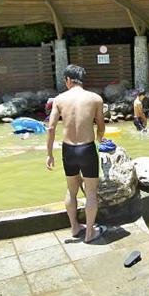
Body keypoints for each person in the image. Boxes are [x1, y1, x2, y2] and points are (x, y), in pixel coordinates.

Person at [46, 65, 107, 243]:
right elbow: (101, 128)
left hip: (68, 150)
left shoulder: (59, 99)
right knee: (91, 193)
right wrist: (99, 139)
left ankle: (74, 228)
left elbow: (50, 128)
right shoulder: (95, 99)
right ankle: (89, 233)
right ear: (81, 79)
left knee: (71, 191)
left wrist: (49, 154)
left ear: (68, 80)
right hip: (87, 149)